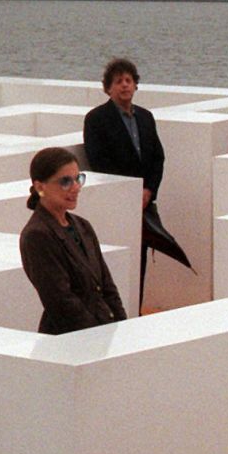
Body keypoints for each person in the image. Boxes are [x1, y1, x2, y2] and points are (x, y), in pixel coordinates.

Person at [82, 57, 165, 305]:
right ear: (108, 88)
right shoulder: (96, 119)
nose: (125, 85)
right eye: (118, 81)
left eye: (129, 80)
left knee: (139, 259)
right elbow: (98, 161)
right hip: (116, 203)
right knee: (115, 263)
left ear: (136, 85)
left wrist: (148, 190)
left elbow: (158, 158)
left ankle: (136, 309)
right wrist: (129, 194)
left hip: (143, 202)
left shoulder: (146, 118)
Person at [19, 146, 127, 334]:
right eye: (65, 181)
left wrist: (122, 328)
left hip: (102, 332)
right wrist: (96, 336)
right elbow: (60, 300)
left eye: (78, 179)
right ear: (40, 187)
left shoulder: (82, 226)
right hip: (70, 341)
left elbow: (107, 285)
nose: (76, 187)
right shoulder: (37, 236)